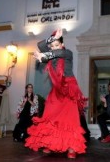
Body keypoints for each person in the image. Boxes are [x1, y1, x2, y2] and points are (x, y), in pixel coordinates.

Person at [25, 28, 87, 159]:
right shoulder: (50, 57)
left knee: (70, 120)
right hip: (56, 91)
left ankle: (71, 147)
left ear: (62, 45)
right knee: (51, 117)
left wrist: (45, 56)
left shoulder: (67, 53)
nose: (54, 48)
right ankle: (50, 143)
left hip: (69, 89)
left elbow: (59, 53)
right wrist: (52, 39)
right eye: (52, 46)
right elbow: (40, 45)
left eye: (57, 45)